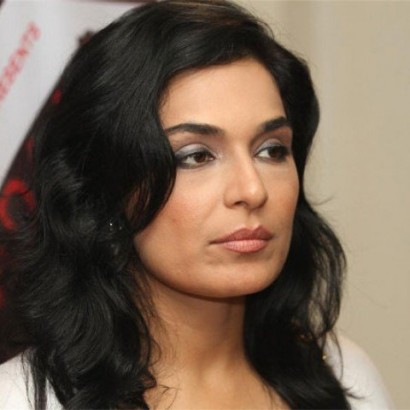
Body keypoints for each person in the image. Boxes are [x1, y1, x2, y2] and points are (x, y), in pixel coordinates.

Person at [0, 1, 393, 409]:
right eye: (197, 156)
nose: (252, 190)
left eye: (272, 150)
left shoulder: (344, 377)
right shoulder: (21, 399)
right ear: (107, 189)